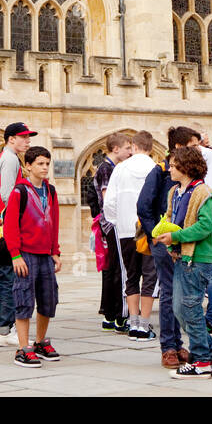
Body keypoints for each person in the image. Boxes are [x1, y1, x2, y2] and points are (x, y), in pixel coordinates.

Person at [155, 146, 212, 379]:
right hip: (181, 258)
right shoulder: (174, 191)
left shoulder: (205, 192)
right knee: (181, 309)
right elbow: (170, 217)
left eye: (174, 165)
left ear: (186, 167)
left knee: (189, 310)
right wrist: (165, 234)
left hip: (199, 260)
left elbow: (207, 226)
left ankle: (200, 362)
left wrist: (176, 236)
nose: (169, 169)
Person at [137, 125, 195, 368]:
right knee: (170, 291)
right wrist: (155, 235)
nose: (198, 150)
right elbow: (143, 206)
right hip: (164, 242)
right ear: (179, 147)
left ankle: (179, 343)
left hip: (185, 241)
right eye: (193, 146)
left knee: (184, 294)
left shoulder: (189, 174)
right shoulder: (160, 172)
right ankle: (168, 347)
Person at [3, 145, 61, 366]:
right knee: (24, 300)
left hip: (45, 254)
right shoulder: (20, 191)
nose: (45, 167)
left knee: (48, 300)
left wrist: (55, 251)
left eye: (47, 163)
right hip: (26, 254)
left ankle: (39, 342)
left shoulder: (51, 191)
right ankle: (22, 347)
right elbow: (10, 226)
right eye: (40, 164)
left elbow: (54, 222)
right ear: (28, 166)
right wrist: (15, 255)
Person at [102, 129, 158, 341]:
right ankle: (144, 324)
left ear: (134, 147)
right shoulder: (155, 169)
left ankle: (133, 322)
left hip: (126, 231)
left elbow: (109, 203)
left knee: (130, 275)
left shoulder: (121, 169)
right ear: (150, 148)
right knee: (150, 276)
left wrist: (119, 221)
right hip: (148, 229)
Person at [0, 121, 37, 346]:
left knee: (0, 276)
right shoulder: (9, 159)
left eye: (28, 137)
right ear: (11, 139)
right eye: (23, 137)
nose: (27, 141)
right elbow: (8, 195)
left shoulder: (5, 157)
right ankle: (6, 330)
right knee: (8, 277)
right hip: (6, 223)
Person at [94, 132, 132, 332]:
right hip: (112, 224)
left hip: (109, 224)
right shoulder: (107, 169)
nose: (130, 152)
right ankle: (119, 315)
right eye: (127, 148)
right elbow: (108, 200)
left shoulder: (113, 168)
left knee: (113, 268)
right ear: (115, 149)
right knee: (119, 269)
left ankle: (110, 314)